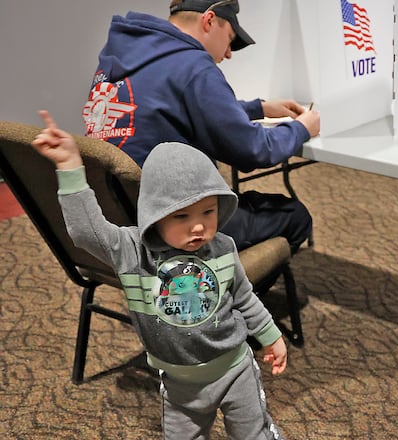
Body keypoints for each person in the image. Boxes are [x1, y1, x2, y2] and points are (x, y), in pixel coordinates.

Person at [33, 110, 289, 440]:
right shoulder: (132, 250)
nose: (198, 225)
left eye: (208, 212)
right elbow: (86, 233)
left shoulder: (222, 248)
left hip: (234, 369)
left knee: (254, 434)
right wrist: (69, 166)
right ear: (155, 215)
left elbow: (244, 297)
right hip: (179, 382)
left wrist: (271, 336)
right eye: (181, 216)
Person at [82, 0, 320, 256]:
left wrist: (257, 108)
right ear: (208, 21)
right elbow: (254, 150)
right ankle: (221, 290)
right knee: (295, 215)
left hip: (118, 217)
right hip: (177, 226)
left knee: (242, 201)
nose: (228, 53)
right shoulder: (193, 65)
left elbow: (170, 104)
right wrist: (302, 128)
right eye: (230, 38)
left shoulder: (122, 55)